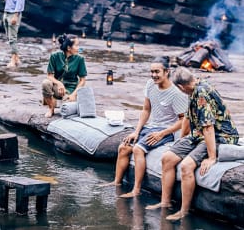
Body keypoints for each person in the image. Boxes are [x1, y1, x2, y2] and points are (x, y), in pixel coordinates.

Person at [146, 67, 239, 221]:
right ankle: (165, 202)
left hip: (219, 135)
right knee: (167, 158)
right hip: (198, 134)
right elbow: (188, 118)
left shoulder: (202, 92)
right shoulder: (193, 88)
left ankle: (184, 211)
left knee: (186, 166)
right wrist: (180, 140)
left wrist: (212, 157)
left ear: (181, 87)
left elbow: (208, 128)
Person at [102, 57, 188, 198]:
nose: (154, 75)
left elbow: (183, 120)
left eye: (157, 72)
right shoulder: (150, 85)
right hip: (151, 127)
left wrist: (162, 134)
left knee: (137, 149)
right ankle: (116, 182)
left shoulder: (176, 93)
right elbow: (146, 110)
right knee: (123, 147)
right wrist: (136, 131)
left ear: (167, 72)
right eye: (152, 71)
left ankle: (136, 189)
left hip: (167, 131)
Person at [42, 34, 87, 118]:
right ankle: (51, 108)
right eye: (76, 45)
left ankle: (63, 100)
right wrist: (59, 83)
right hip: (57, 87)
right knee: (45, 83)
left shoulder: (80, 59)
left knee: (66, 112)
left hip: (71, 90)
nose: (79, 48)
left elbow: (82, 80)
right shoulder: (54, 56)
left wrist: (74, 94)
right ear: (69, 48)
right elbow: (49, 75)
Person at [1, 0, 26, 68]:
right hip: (6, 12)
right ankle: (17, 58)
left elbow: (20, 1)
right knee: (9, 36)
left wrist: (16, 16)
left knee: (13, 38)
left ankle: (13, 60)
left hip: (13, 14)